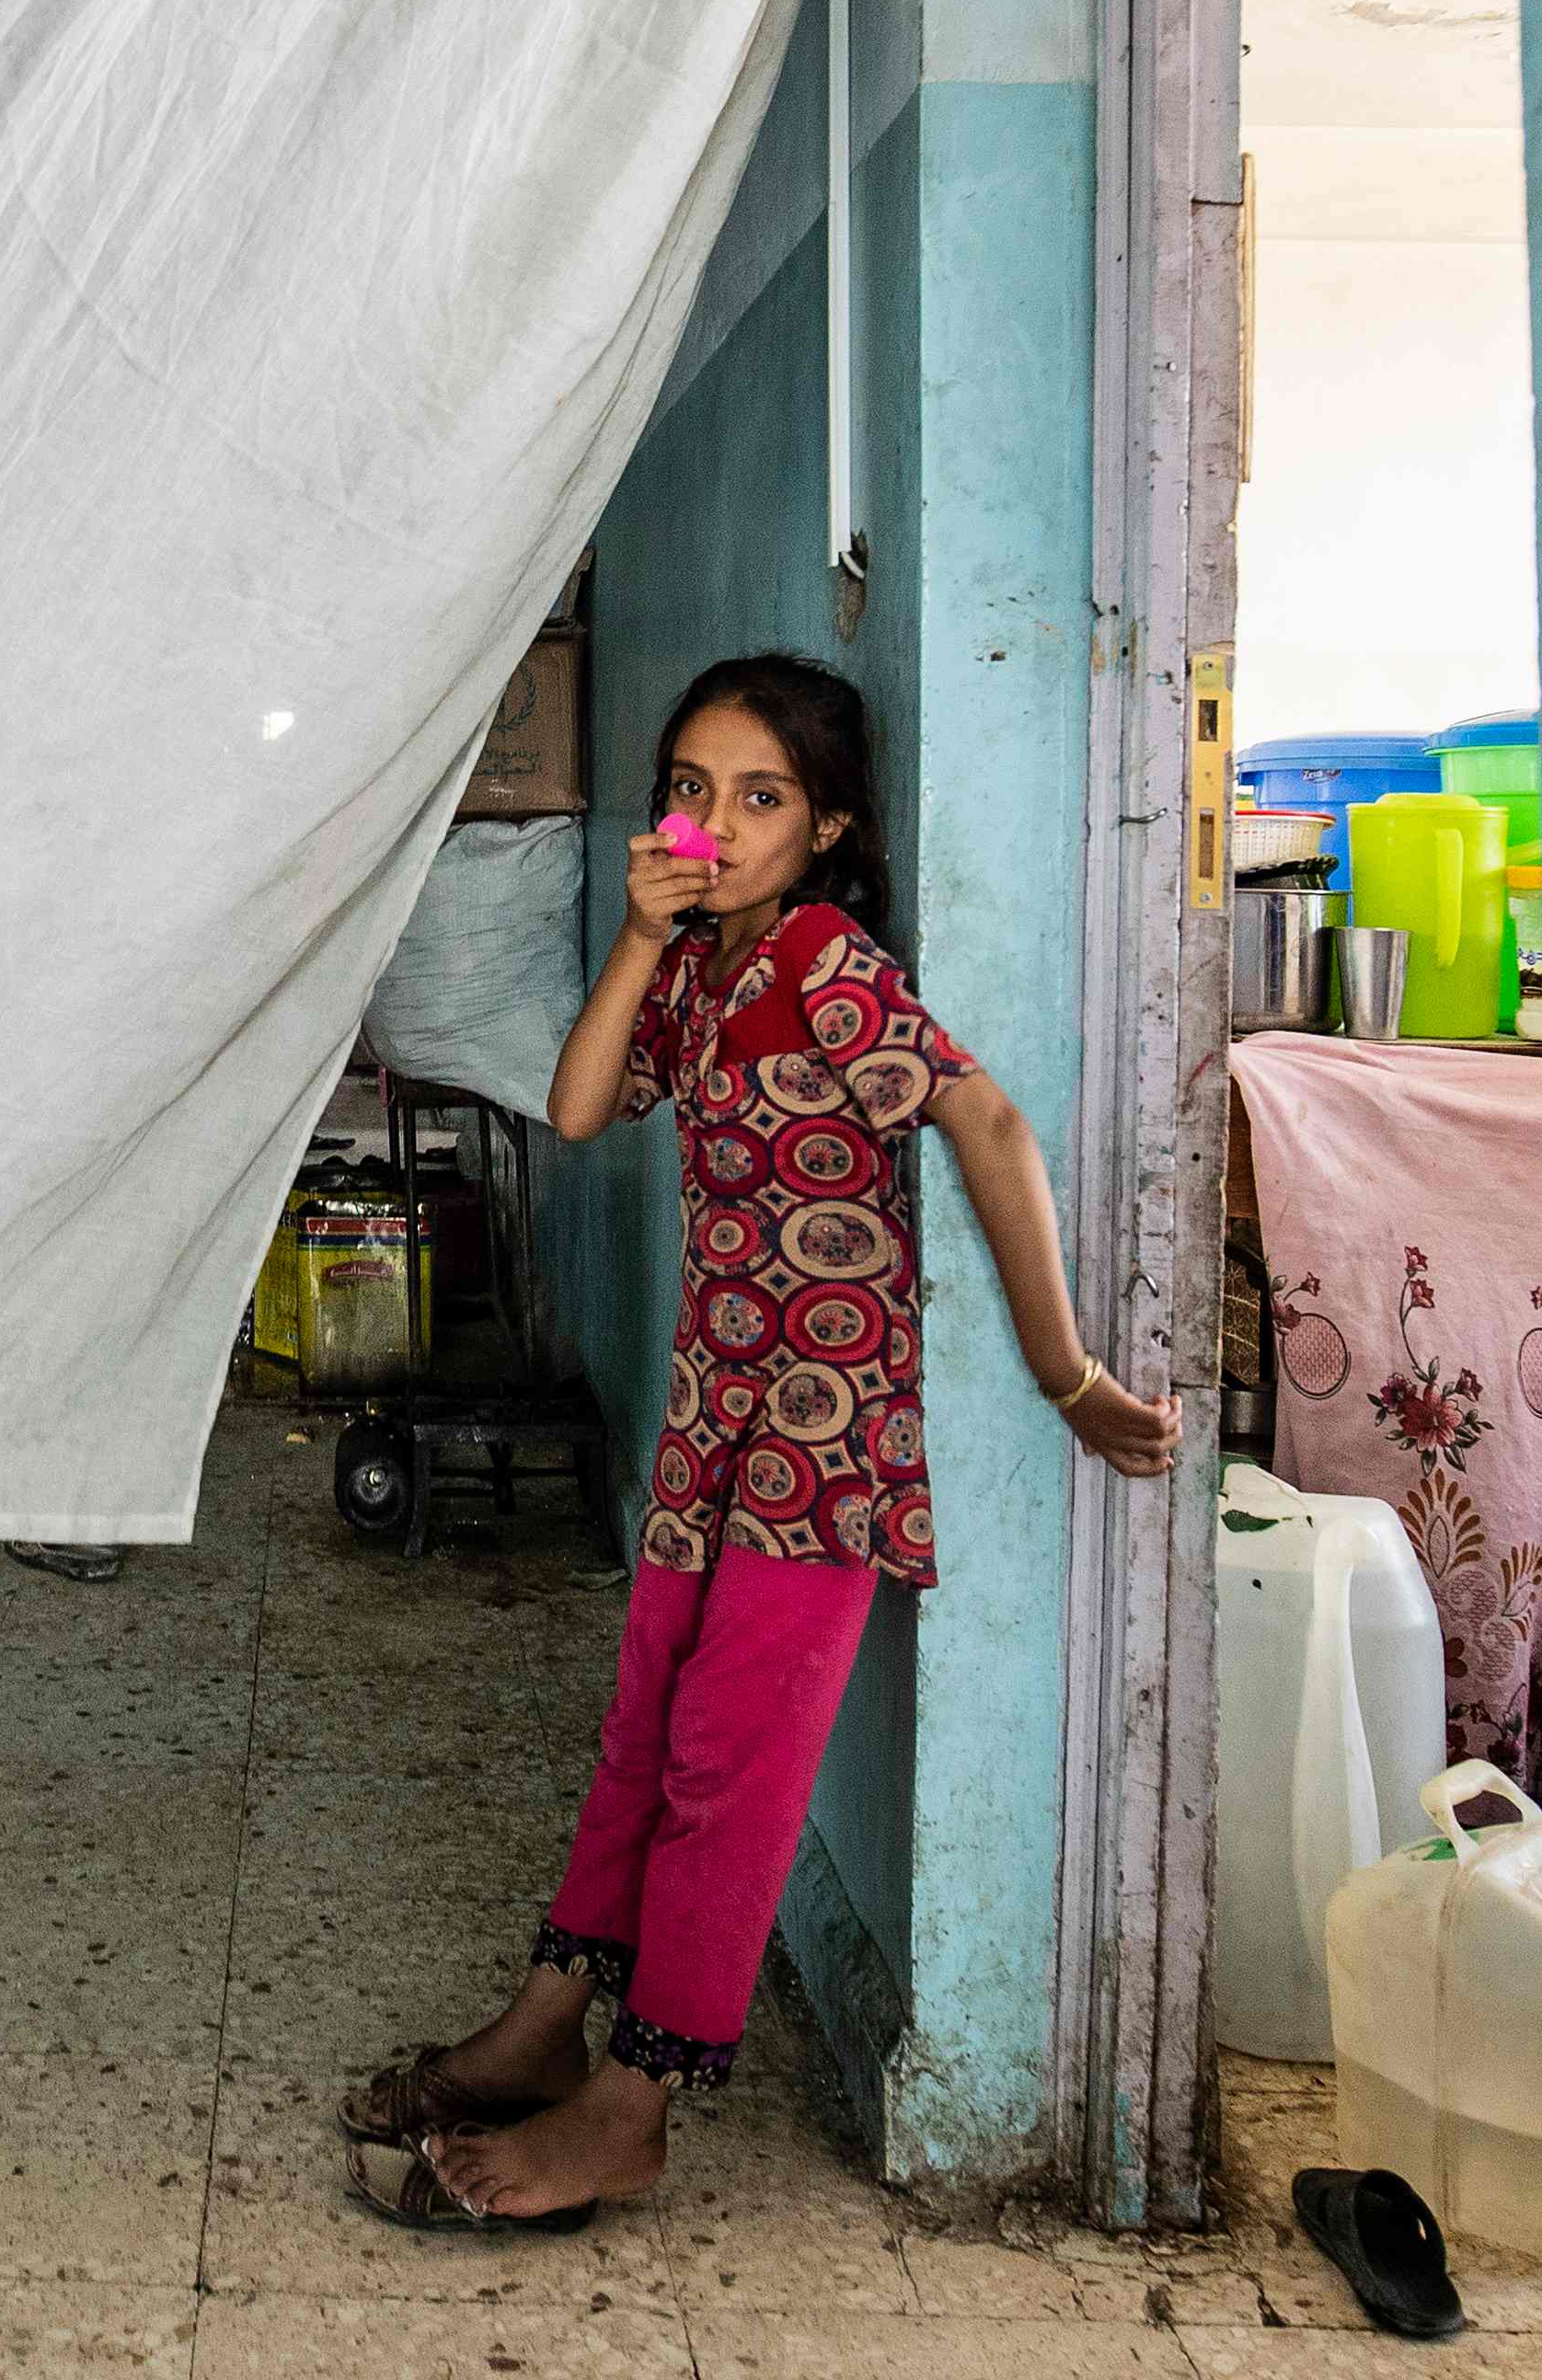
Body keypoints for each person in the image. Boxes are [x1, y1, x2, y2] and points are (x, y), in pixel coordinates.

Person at [344, 653, 1180, 2234]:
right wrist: (644, 927)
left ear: (827, 826)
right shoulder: (705, 966)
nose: (715, 821)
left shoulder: (821, 962)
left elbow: (984, 1119)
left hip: (826, 1443)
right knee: (644, 1721)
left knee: (732, 1763)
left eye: (761, 795)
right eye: (691, 788)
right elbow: (583, 1104)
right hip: (720, 1414)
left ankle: (637, 2098)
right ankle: (549, 2010)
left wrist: (1064, 1368)